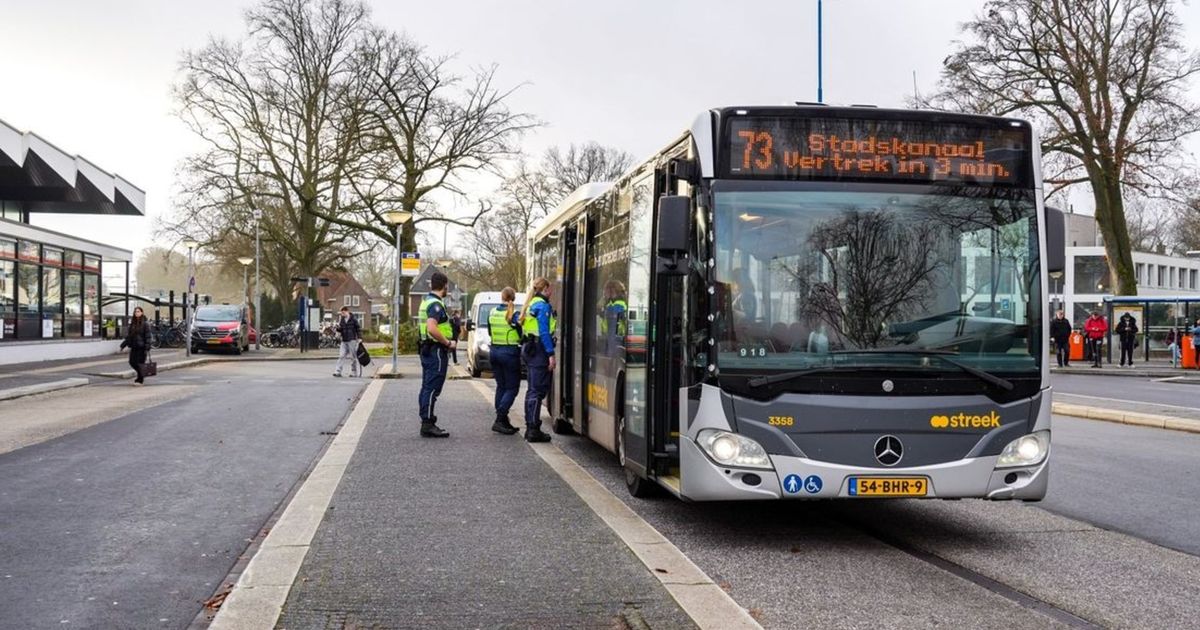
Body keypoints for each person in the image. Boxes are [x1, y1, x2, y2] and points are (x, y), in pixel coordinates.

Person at [417, 271, 454, 438]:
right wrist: (447, 342)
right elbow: (432, 327)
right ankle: (428, 424)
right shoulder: (436, 305)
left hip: (426, 349)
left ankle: (426, 420)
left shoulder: (426, 301)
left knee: (426, 387)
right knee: (432, 388)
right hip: (436, 351)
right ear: (444, 285)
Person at [520, 277, 557, 443]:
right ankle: (533, 429)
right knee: (538, 390)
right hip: (539, 350)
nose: (552, 292)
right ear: (546, 289)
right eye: (550, 289)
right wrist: (551, 354)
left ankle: (530, 426)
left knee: (531, 389)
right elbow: (544, 332)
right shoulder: (543, 306)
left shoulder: (531, 304)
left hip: (529, 349)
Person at [487, 287, 522, 435]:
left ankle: (502, 419)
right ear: (513, 298)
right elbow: (521, 333)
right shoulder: (514, 315)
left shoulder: (492, 312)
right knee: (512, 388)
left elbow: (490, 331)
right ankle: (500, 419)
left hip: (494, 352)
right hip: (509, 353)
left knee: (501, 386)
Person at [119, 306, 153, 386]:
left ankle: (140, 379)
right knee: (132, 362)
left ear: (142, 312)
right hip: (134, 346)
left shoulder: (145, 323)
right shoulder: (133, 324)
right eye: (135, 312)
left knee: (140, 363)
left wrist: (147, 347)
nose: (137, 313)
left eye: (138, 311)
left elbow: (148, 336)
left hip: (142, 347)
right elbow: (129, 336)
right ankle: (141, 375)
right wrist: (123, 345)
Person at [332, 306, 362, 378]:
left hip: (352, 340)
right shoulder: (342, 319)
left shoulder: (353, 319)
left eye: (343, 313)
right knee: (341, 356)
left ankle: (354, 372)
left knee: (352, 357)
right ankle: (337, 371)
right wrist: (337, 329)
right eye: (341, 313)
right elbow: (341, 329)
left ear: (347, 311)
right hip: (344, 340)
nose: (342, 314)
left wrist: (360, 338)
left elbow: (358, 329)